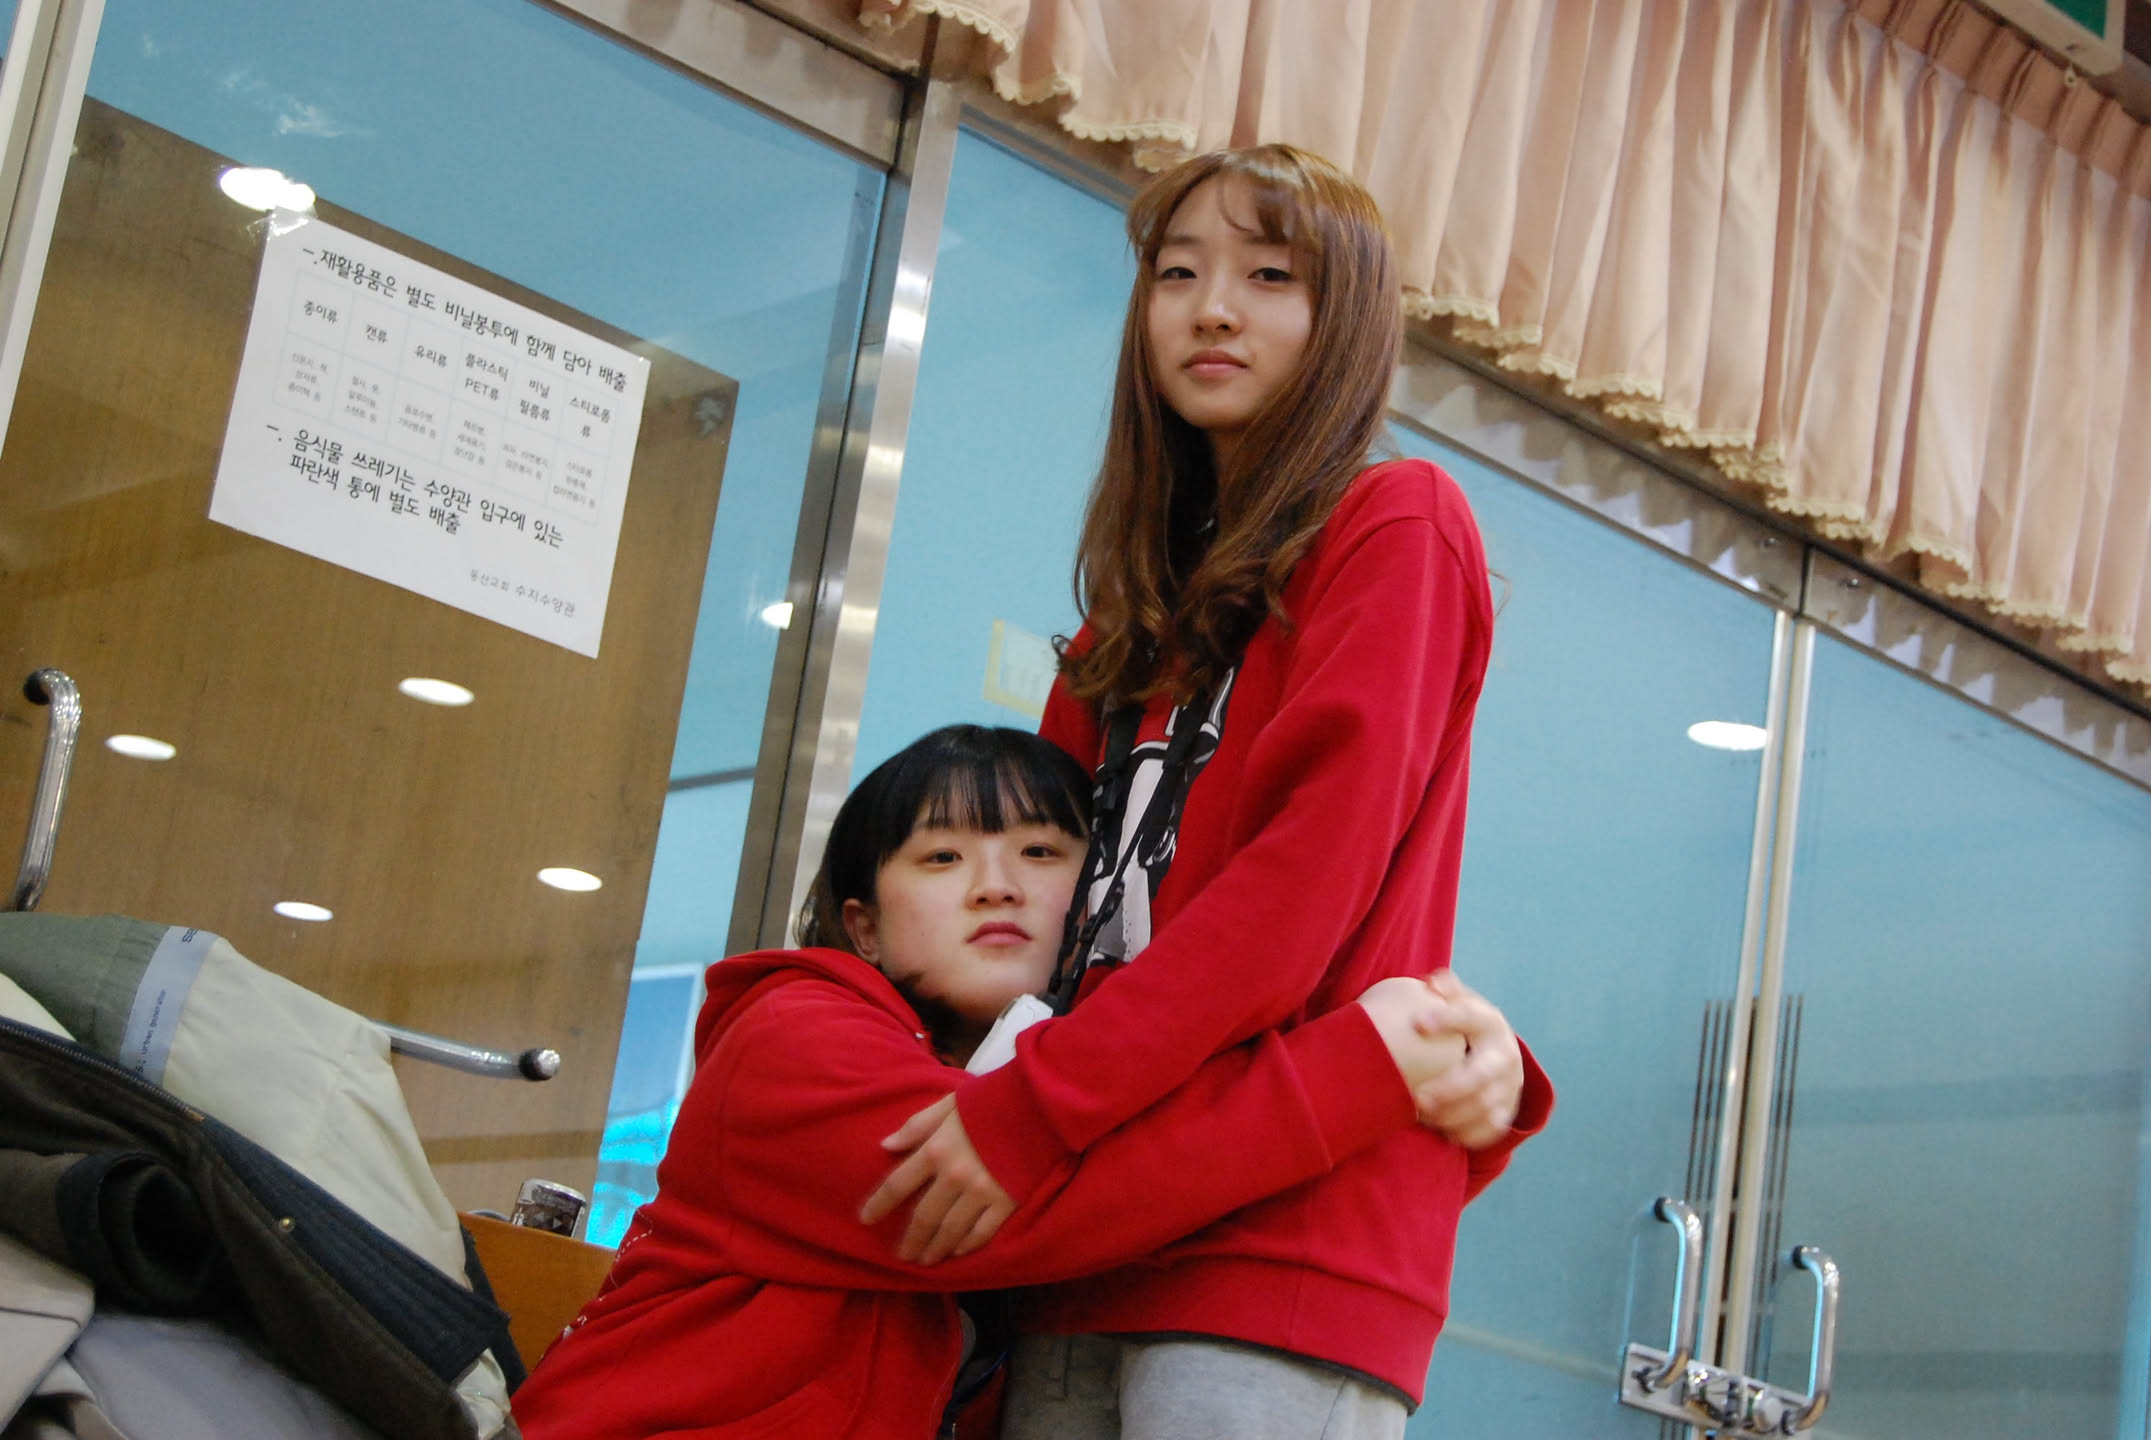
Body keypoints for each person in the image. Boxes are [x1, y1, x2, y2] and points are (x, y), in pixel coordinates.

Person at [865, 146, 1555, 1438]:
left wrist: (1033, 1107)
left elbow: (1303, 884)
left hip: (1282, 1234)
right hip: (1093, 1219)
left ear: (1345, 317)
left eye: (1269, 276)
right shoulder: (1119, 627)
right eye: (1176, 275)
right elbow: (1041, 922)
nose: (1212, 309)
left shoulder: (1395, 519)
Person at [508, 725, 1496, 1440]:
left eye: (1040, 851)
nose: (998, 885)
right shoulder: (792, 1037)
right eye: (943, 856)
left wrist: (1468, 1077)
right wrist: (1367, 1068)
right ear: (862, 925)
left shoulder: (1050, 1079)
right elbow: (1046, 1207)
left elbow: (1205, 1181)